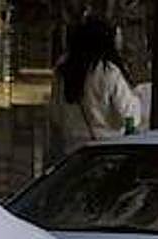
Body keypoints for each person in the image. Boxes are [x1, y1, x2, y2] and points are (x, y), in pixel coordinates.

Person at [49, 15, 141, 159]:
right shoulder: (108, 71)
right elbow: (128, 114)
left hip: (73, 153)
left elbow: (55, 114)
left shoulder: (63, 70)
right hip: (106, 151)